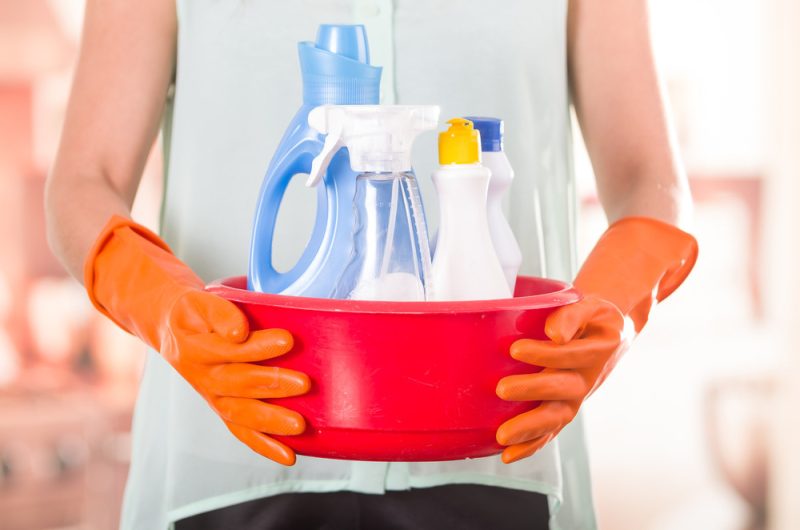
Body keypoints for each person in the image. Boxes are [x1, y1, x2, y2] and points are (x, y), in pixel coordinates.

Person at [45, 1, 698, 529]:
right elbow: (83, 180)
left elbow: (651, 179)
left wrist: (612, 303)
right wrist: (163, 307)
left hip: (501, 459)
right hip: (225, 468)